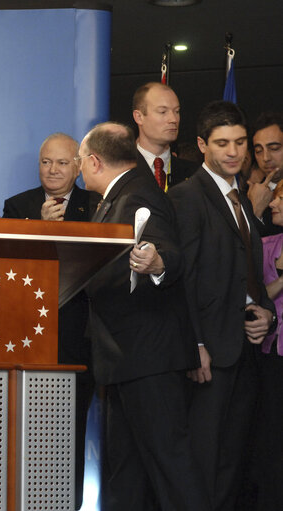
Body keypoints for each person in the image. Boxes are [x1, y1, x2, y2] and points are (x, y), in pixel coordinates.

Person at [80, 122, 209, 511]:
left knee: (171, 468)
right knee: (126, 474)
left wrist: (157, 263)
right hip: (126, 360)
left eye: (78, 162)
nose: (78, 170)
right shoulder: (118, 194)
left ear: (93, 161)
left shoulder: (138, 195)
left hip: (146, 359)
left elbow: (169, 252)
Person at [169, 100, 275, 510]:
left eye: (240, 142)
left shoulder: (243, 199)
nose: (234, 152)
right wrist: (195, 344)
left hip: (246, 349)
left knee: (233, 461)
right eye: (222, 143)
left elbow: (248, 271)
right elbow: (184, 281)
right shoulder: (186, 198)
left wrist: (265, 310)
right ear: (201, 145)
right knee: (203, 460)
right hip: (209, 353)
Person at [2, 132, 99, 509]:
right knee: (27, 432)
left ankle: (67, 503)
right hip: (27, 338)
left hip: (80, 336)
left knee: (70, 431)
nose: (53, 170)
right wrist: (35, 229)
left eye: (62, 162)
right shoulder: (18, 206)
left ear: (78, 165)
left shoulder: (96, 204)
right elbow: (5, 267)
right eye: (46, 162)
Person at [247, 182, 283, 509]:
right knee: (270, 439)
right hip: (270, 353)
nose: (274, 201)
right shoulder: (266, 244)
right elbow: (257, 297)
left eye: (281, 197)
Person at [132, 82, 196, 190]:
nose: (173, 119)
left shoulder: (195, 175)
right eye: (163, 112)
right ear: (139, 117)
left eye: (177, 111)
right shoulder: (119, 172)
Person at [246, 112, 283, 236]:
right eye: (258, 151)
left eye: (274, 148)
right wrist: (255, 211)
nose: (266, 158)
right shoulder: (247, 196)